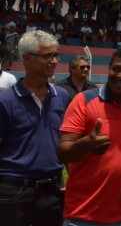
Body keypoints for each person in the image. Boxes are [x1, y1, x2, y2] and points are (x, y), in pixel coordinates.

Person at [58, 47, 121, 225]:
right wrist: (86, 144)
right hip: (83, 214)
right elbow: (63, 152)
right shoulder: (84, 101)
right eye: (116, 69)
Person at [0, 30, 67, 225]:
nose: (54, 61)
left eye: (56, 55)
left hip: (53, 188)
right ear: (27, 59)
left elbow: (62, 139)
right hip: (14, 189)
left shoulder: (60, 95)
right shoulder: (6, 101)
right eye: (47, 56)